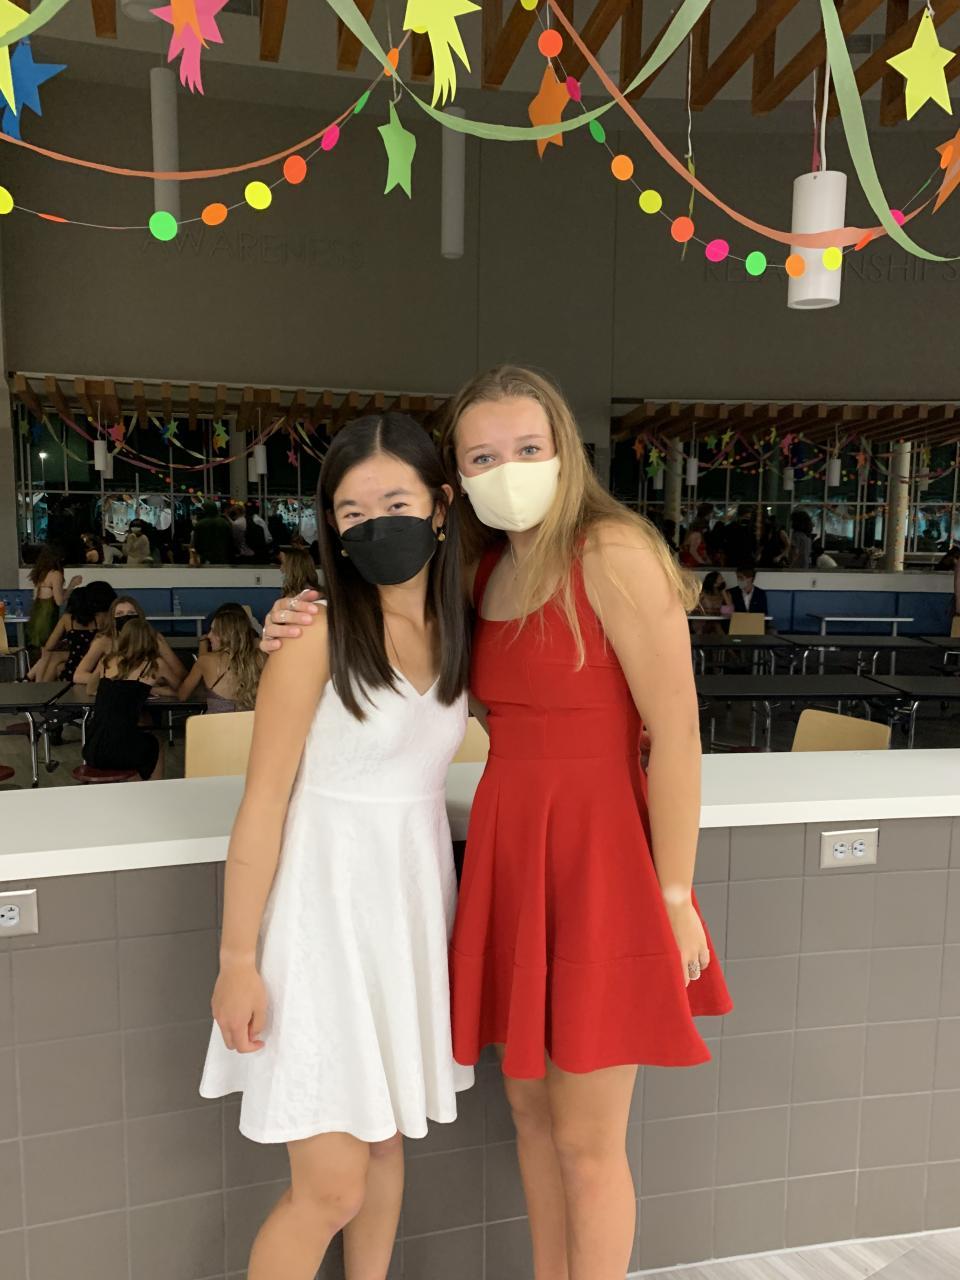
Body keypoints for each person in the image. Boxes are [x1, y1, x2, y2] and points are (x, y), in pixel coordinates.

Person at [261, 367, 732, 1280]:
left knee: (588, 1142)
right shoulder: (477, 572)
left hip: (602, 862)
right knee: (530, 1117)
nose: (505, 468)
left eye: (526, 448)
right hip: (513, 854)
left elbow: (676, 734)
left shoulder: (613, 551)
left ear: (564, 451)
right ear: (457, 479)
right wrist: (295, 616)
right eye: (481, 456)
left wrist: (674, 893)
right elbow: (402, 653)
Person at [199, 414, 474, 1280]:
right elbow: (262, 804)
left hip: (406, 919)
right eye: (352, 512)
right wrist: (237, 961)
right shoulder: (315, 632)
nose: (374, 524)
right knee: (330, 1188)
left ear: (440, 507)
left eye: (395, 502)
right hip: (319, 930)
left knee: (385, 1147)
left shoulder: (461, 627)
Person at [82, 615, 180, 781]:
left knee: (133, 739)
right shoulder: (154, 664)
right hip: (119, 750)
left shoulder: (107, 660)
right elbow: (180, 689)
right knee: (155, 741)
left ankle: (131, 785)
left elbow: (90, 689)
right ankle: (152, 787)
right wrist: (153, 689)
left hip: (92, 748)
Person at [73, 596, 187, 688]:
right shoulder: (103, 641)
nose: (125, 617)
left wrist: (152, 681)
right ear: (112, 620)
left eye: (131, 613)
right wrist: (118, 682)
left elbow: (180, 673)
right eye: (119, 614)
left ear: (139, 617)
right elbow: (78, 675)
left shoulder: (154, 637)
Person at [177, 604, 264, 713]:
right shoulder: (260, 659)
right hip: (249, 723)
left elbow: (182, 695)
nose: (209, 635)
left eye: (214, 631)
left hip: (215, 724)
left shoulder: (206, 661)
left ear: (226, 635)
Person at [25, 547, 81, 648]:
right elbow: (59, 601)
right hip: (48, 614)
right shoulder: (56, 574)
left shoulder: (41, 573)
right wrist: (72, 585)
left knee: (38, 646)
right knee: (48, 646)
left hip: (37, 612)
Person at [192, 501, 235, 565]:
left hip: (206, 557)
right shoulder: (224, 522)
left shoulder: (200, 524)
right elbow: (230, 541)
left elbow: (196, 543)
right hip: (222, 556)